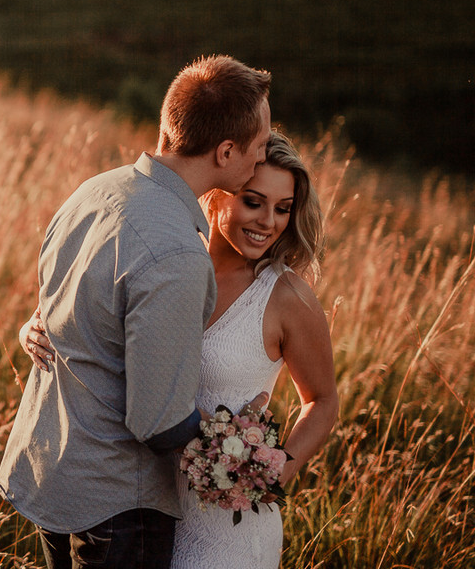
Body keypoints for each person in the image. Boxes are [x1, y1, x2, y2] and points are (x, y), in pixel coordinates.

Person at [0, 55, 274, 568]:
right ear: (226, 150)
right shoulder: (178, 255)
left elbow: (61, 313)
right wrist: (239, 448)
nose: (262, 159)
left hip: (50, 471)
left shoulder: (93, 191)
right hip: (117, 505)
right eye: (257, 149)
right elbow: (157, 421)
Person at [20, 131, 340, 569]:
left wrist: (273, 470)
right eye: (253, 202)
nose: (269, 221)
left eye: (283, 209)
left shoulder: (287, 298)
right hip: (134, 494)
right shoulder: (168, 255)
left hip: (226, 523)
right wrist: (32, 328)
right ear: (218, 195)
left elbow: (322, 401)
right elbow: (94, 318)